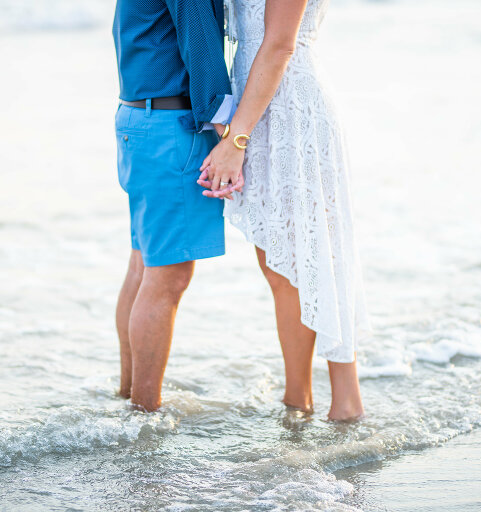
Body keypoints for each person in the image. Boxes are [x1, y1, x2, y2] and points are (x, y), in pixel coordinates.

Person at [198, 0, 373, 421]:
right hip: (260, 107)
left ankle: (343, 404)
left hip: (292, 109)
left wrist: (235, 141)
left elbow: (279, 44)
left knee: (317, 257)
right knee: (281, 269)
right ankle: (299, 403)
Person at [112, 0, 236, 411]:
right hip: (171, 128)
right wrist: (232, 143)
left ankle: (129, 397)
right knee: (168, 278)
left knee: (143, 265)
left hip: (139, 120)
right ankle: (145, 414)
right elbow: (202, 54)